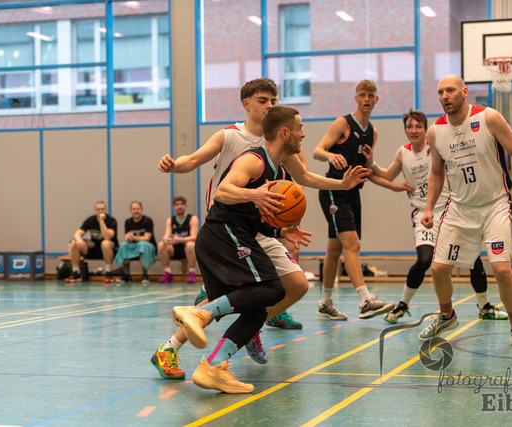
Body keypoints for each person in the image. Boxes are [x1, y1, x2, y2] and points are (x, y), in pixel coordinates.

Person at [152, 78, 369, 381]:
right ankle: (170, 348)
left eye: (273, 100)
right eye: (263, 100)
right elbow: (195, 161)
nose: (270, 105)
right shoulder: (231, 136)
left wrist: (342, 185)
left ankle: (250, 325)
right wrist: (174, 165)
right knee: (231, 298)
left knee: (296, 285)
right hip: (227, 225)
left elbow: (305, 177)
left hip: (259, 226)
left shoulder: (281, 147)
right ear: (247, 104)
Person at [418, 75, 512, 348]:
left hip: (495, 204)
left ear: (464, 92)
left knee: (502, 270)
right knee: (438, 269)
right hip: (459, 208)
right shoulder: (435, 131)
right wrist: (428, 208)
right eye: (440, 92)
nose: (445, 96)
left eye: (450, 90)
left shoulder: (488, 117)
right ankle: (447, 316)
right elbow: (436, 174)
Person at [363, 109, 508, 323]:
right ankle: (402, 304)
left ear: (425, 129)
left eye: (418, 126)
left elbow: (472, 152)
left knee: (473, 260)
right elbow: (387, 175)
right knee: (424, 260)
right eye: (409, 126)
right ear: (405, 130)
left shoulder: (437, 146)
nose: (414, 130)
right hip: (423, 214)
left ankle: (484, 306)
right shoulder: (403, 152)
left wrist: (505, 144)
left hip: (450, 210)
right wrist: (371, 163)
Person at [313, 79, 409, 321]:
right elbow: (317, 151)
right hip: (333, 189)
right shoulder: (343, 123)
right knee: (352, 245)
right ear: (356, 98)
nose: (366, 99)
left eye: (371, 95)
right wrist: (329, 155)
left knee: (334, 249)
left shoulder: (372, 133)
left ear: (376, 100)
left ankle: (325, 303)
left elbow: (368, 172)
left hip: (353, 193)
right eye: (362, 94)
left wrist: (393, 187)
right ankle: (366, 301)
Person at [66, 201, 119, 285]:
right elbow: (77, 233)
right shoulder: (91, 220)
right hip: (94, 248)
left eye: (102, 209)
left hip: (109, 250)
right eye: (98, 209)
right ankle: (76, 272)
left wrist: (101, 222)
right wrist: (79, 240)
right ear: (95, 211)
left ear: (106, 210)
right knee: (74, 242)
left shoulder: (111, 221)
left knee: (105, 243)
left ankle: (108, 273)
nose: (100, 211)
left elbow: (107, 237)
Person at [157, 196, 199, 283]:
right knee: (161, 245)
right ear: (174, 207)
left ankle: (192, 273)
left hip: (188, 249)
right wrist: (165, 239)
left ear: (185, 206)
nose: (179, 206)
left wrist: (179, 239)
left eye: (182, 204)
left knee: (190, 244)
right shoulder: (170, 220)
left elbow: (194, 237)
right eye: (177, 204)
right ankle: (168, 273)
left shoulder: (192, 219)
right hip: (175, 249)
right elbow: (166, 235)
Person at [114, 201, 157, 285]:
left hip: (148, 246)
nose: (136, 211)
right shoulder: (128, 222)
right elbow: (127, 237)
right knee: (124, 245)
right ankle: (126, 275)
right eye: (134, 209)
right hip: (133, 245)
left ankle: (145, 275)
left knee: (142, 245)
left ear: (141, 210)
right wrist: (128, 238)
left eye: (138, 209)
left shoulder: (148, 221)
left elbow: (147, 238)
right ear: (131, 211)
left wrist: (134, 237)